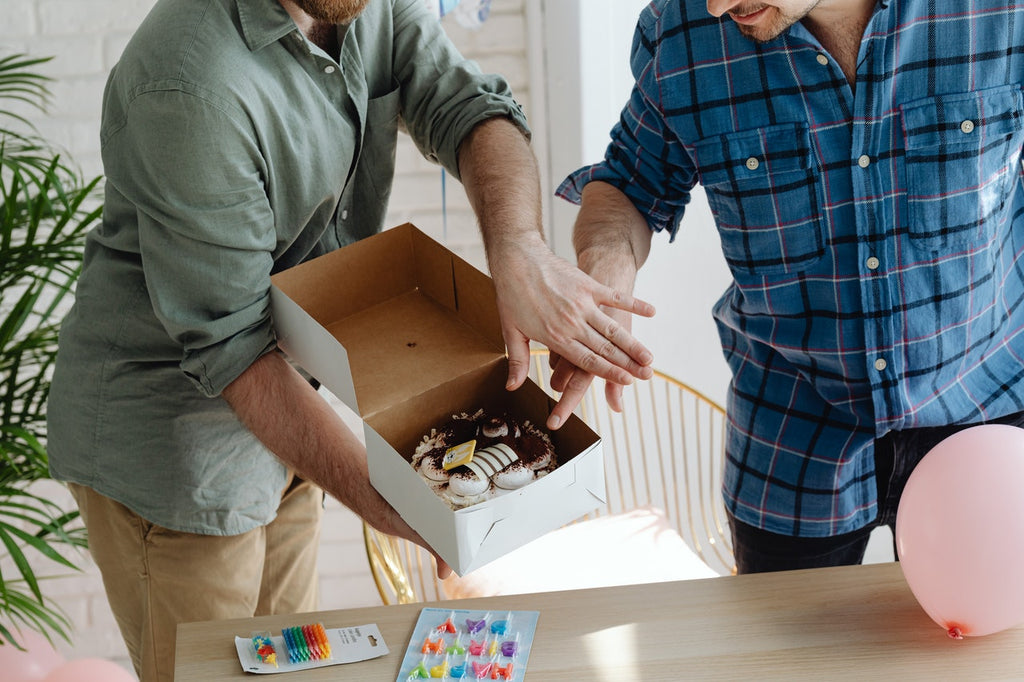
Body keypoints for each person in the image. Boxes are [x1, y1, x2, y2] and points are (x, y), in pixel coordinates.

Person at [45, 0, 654, 679]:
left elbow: (472, 109)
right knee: (215, 672)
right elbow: (233, 350)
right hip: (172, 446)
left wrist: (519, 252)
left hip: (287, 404)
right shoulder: (190, 84)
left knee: (295, 669)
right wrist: (411, 510)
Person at [516, 0, 1024, 575]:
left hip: (987, 415)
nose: (717, 4)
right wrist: (605, 274)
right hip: (790, 445)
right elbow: (628, 184)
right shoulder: (684, 32)